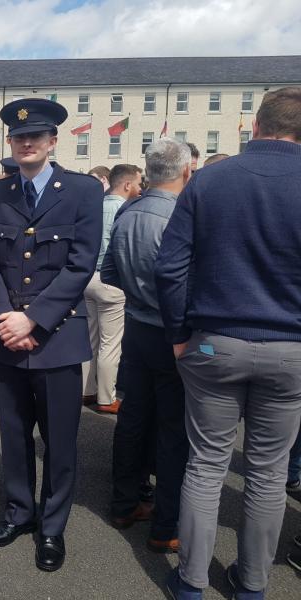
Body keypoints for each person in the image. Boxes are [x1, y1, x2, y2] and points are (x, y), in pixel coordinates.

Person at [156, 87, 301, 600]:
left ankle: (191, 581)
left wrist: (178, 335)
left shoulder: (209, 179)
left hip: (214, 343)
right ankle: (252, 584)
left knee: (206, 465)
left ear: (255, 126)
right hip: (291, 349)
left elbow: (170, 267)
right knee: (268, 473)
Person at [0, 98, 102, 572]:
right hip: (6, 337)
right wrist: (6, 318)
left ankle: (51, 526)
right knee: (13, 435)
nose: (26, 142)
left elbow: (80, 264)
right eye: (18, 136)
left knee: (60, 441)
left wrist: (33, 320)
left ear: (53, 141)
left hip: (57, 336)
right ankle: (19, 512)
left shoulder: (83, 191)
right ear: (10, 142)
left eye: (35, 136)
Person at [101, 139, 191, 554]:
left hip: (138, 326)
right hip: (171, 333)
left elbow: (110, 272)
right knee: (173, 428)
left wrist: (137, 295)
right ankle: (165, 525)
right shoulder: (180, 215)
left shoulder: (128, 210)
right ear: (185, 172)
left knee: (134, 417)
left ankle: (124, 504)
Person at [82, 163, 142, 414]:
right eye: (138, 183)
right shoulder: (127, 210)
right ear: (127, 184)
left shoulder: (95, 206)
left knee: (90, 339)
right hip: (111, 281)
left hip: (87, 278)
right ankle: (106, 398)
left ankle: (86, 391)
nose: (140, 187)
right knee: (111, 343)